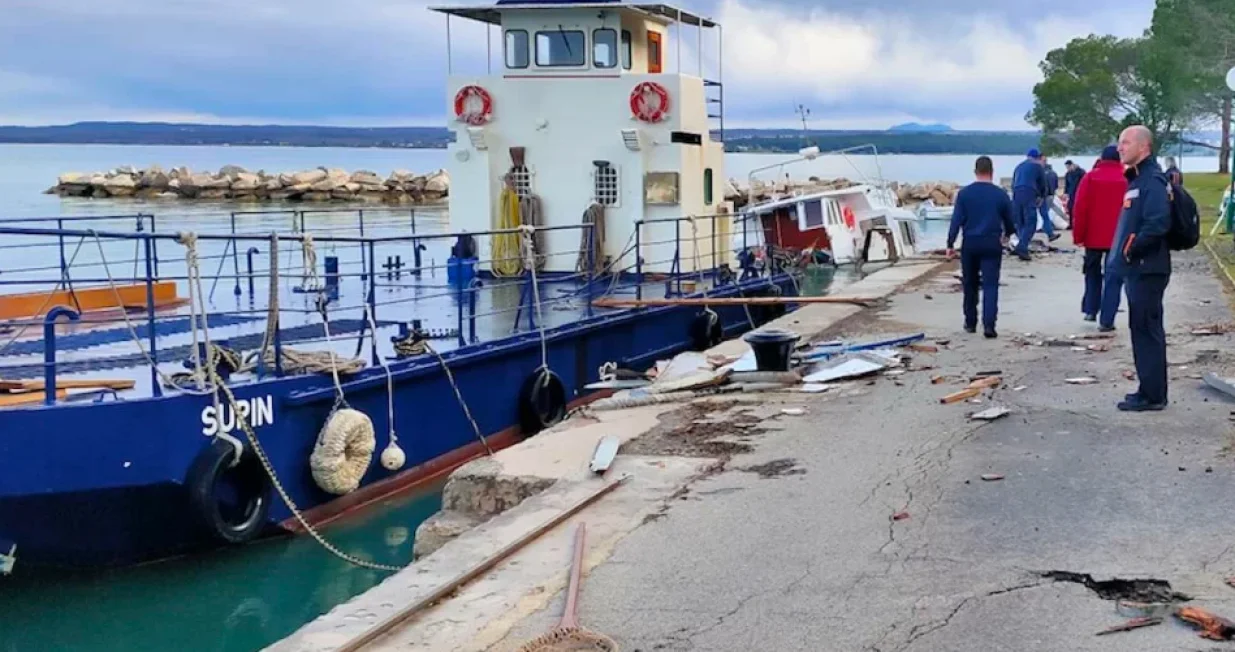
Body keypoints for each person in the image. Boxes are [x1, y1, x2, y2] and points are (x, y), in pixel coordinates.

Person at [1110, 125, 1172, 412]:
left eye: (1126, 142)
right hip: (1137, 268)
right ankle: (1148, 389)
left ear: (1144, 147)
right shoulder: (1136, 179)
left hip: (1148, 268)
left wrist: (1131, 248)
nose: (1120, 147)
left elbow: (1158, 223)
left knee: (1147, 329)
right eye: (1119, 142)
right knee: (1141, 328)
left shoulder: (1152, 181)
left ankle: (1153, 395)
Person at [946, 156, 1016, 338]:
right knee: (991, 285)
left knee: (970, 283)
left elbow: (956, 220)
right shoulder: (1000, 194)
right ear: (992, 172)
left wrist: (950, 243)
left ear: (975, 172)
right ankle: (989, 325)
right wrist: (1007, 235)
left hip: (970, 242)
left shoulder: (964, 194)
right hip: (992, 243)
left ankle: (970, 322)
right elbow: (1010, 220)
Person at [1071, 145, 1126, 331]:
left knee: (1092, 273)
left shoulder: (1090, 177)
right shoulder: (1126, 178)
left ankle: (1091, 309)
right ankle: (1107, 318)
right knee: (1114, 277)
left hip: (1093, 236)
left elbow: (1080, 208)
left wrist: (1078, 235)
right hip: (1118, 237)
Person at [1011, 148, 1048, 261]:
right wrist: (1042, 197)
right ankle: (1022, 246)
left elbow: (1013, 183)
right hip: (1029, 192)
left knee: (1020, 221)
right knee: (1031, 221)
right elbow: (1043, 184)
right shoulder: (1037, 166)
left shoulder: (1019, 166)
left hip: (1016, 193)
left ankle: (1020, 244)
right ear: (1037, 157)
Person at [1039, 160, 1060, 241]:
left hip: (1043, 195)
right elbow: (1056, 185)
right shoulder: (1054, 173)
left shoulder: (1043, 173)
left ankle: (1045, 229)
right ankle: (1048, 231)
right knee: (1045, 214)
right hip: (1051, 195)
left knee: (1042, 214)